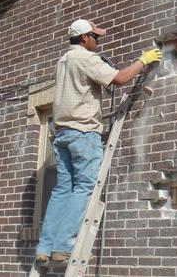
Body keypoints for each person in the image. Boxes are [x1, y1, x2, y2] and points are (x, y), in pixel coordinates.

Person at [35, 19, 162, 262]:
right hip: (83, 133)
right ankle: (63, 246)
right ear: (84, 38)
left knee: (62, 190)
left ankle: (44, 248)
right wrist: (143, 60)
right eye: (96, 37)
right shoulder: (84, 58)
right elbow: (120, 78)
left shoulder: (62, 61)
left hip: (61, 134)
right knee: (83, 187)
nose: (97, 41)